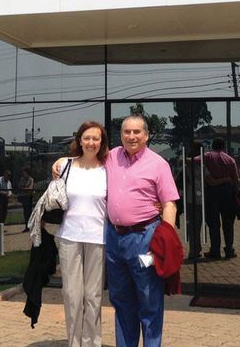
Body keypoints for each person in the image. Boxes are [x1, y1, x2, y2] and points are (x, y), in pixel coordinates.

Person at [104, 115, 179, 347]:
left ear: (146, 136)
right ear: (121, 135)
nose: (131, 136)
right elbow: (85, 156)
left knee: (149, 300)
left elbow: (169, 204)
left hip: (145, 239)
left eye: (137, 132)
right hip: (114, 239)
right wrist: (61, 162)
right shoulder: (111, 157)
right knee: (121, 301)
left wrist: (164, 239)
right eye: (127, 131)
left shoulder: (158, 164)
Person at [51, 121, 109, 347]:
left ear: (102, 142)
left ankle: (91, 343)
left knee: (93, 296)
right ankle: (74, 343)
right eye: (87, 138)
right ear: (79, 140)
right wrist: (56, 163)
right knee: (72, 296)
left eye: (96, 138)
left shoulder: (108, 168)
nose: (91, 142)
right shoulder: (65, 165)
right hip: (69, 237)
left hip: (98, 238)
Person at [200, 138, 239, 259]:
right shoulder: (230, 159)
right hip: (228, 192)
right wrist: (236, 193)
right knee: (228, 223)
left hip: (212, 192)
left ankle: (215, 250)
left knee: (213, 223)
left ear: (213, 145)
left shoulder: (207, 156)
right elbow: (236, 179)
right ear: (223, 146)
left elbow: (195, 160)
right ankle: (229, 249)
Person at [18, 167, 35, 233]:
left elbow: (30, 188)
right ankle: (26, 227)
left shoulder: (31, 179)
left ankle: (31, 226)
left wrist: (24, 188)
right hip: (24, 197)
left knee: (29, 212)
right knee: (25, 212)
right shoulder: (22, 179)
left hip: (29, 197)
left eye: (25, 173)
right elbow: (19, 186)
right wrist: (25, 188)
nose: (23, 174)